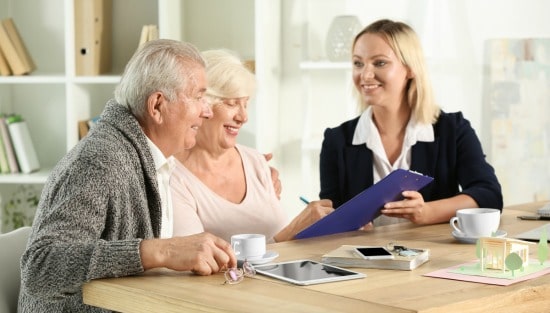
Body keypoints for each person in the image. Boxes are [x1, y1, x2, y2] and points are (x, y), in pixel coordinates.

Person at [19, 39, 238, 312]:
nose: (207, 111)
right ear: (157, 106)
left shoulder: (148, 155)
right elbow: (41, 268)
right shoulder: (100, 163)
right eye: (197, 97)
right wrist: (161, 251)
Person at [319, 19, 503, 227]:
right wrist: (340, 223)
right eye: (358, 63)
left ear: (410, 69)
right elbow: (330, 215)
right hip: (361, 258)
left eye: (379, 62)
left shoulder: (453, 130)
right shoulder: (337, 141)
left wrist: (427, 212)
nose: (365, 74)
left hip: (435, 257)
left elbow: (489, 195)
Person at [171, 49, 333, 243]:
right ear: (202, 105)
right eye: (232, 104)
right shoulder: (172, 177)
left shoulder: (256, 161)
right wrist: (292, 232)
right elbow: (195, 259)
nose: (243, 117)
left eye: (246, 104)